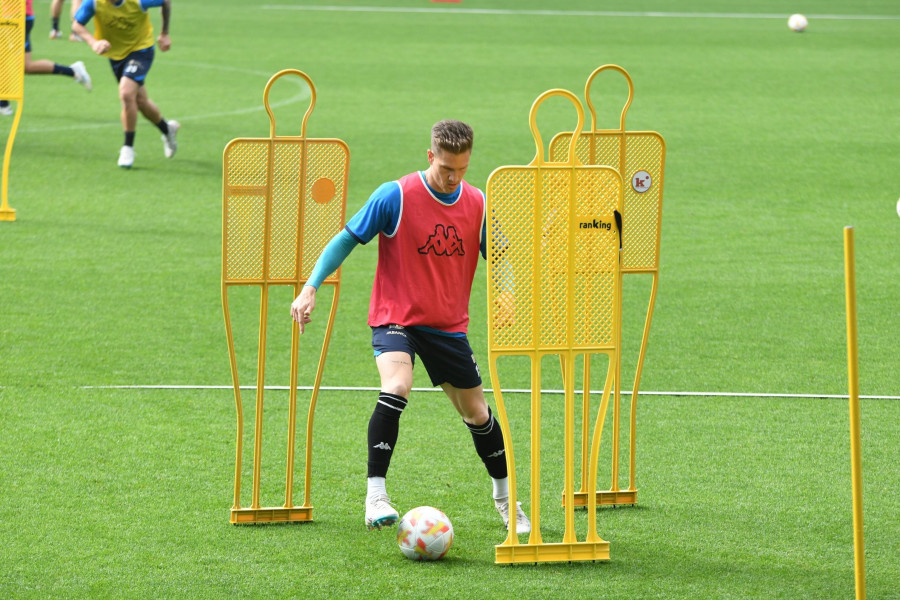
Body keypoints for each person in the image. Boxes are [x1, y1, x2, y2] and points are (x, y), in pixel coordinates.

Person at [290, 120, 531, 535]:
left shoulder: (478, 203)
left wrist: (507, 296)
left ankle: (507, 501)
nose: (453, 178)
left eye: (462, 169)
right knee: (397, 386)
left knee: (477, 412)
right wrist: (311, 287)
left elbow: (503, 258)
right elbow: (345, 238)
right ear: (430, 156)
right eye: (446, 169)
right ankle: (375, 496)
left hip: (448, 327)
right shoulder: (396, 195)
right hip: (396, 319)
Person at [71, 0, 178, 169]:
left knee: (126, 93)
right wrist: (94, 42)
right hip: (116, 55)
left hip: (141, 50)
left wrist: (164, 33)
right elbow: (77, 25)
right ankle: (167, 129)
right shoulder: (94, 3)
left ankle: (128, 147)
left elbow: (165, 1)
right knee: (140, 102)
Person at [0, 0, 92, 116]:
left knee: (11, 61)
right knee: (23, 65)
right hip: (9, 16)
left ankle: (3, 104)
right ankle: (73, 71)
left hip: (16, 17)